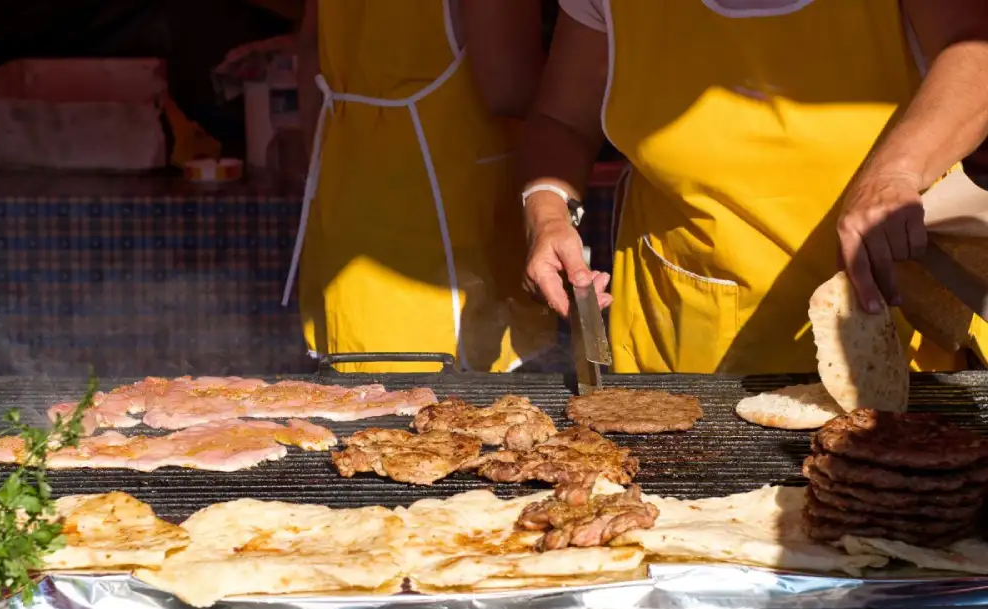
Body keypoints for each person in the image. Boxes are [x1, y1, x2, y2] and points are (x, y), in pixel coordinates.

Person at [520, 0, 988, 374]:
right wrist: (547, 211)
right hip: (682, 345)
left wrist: (894, 174)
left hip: (890, 332)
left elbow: (976, 57)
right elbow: (561, 120)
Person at [288, 0, 555, 373]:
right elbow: (509, 85)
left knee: (364, 404)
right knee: (458, 420)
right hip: (445, 220)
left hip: (347, 195)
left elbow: (309, 52)